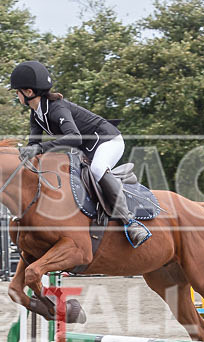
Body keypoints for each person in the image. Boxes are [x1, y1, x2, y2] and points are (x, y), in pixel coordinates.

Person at [9, 60, 151, 248]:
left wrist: (40, 149)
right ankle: (115, 181)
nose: (16, 95)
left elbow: (74, 138)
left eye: (17, 91)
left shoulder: (56, 108)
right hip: (88, 148)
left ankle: (131, 223)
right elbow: (34, 145)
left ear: (28, 92)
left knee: (98, 169)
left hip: (108, 141)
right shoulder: (36, 113)